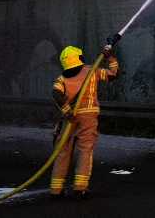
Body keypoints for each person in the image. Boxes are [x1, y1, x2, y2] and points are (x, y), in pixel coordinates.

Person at [49, 41, 120, 199]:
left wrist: (67, 111)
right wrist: (110, 57)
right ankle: (80, 188)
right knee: (85, 150)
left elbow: (56, 94)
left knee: (62, 151)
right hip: (88, 116)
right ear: (79, 58)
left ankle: (56, 189)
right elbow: (113, 74)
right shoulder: (91, 71)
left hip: (69, 118)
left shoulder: (62, 78)